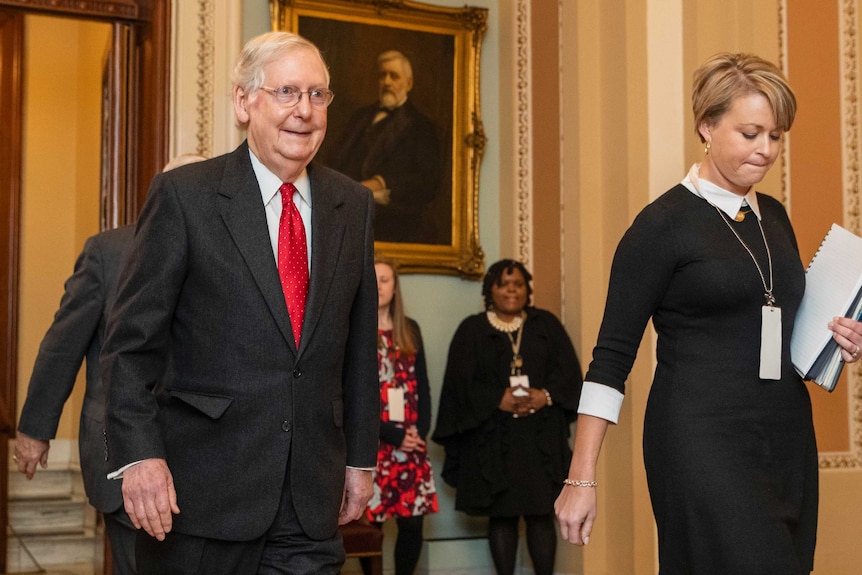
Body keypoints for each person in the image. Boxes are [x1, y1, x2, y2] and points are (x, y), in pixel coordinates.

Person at [555, 53, 862, 574]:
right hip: (700, 438)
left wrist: (840, 337)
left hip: (785, 435)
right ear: (706, 125)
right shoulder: (661, 225)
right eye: (750, 133)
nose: (766, 151)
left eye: (776, 136)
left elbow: (779, 324)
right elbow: (610, 358)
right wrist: (580, 478)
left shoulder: (777, 218)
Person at [100, 31, 379, 575]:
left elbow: (360, 350)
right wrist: (139, 456)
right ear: (243, 101)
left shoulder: (353, 204)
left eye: (318, 95)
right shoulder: (185, 195)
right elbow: (130, 345)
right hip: (201, 499)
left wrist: (361, 460)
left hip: (309, 504)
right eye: (287, 92)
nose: (304, 111)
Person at [12, 152, 207, 575]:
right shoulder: (109, 252)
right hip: (121, 451)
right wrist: (34, 429)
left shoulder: (228, 257)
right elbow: (63, 344)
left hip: (203, 459)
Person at [433, 259, 583, 575]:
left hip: (539, 440)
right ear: (491, 290)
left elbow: (569, 374)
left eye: (518, 284)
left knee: (541, 514)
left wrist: (546, 396)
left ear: (527, 289)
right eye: (503, 284)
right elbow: (459, 384)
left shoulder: (546, 325)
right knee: (502, 515)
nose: (511, 290)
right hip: (492, 440)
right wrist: (495, 399)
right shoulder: (472, 329)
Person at [361, 256, 438, 575]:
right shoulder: (357, 331)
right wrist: (390, 435)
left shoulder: (411, 330)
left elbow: (424, 387)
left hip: (410, 444)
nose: (379, 286)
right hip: (371, 443)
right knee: (370, 524)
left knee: (411, 526)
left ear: (395, 287)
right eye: (374, 279)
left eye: (385, 280)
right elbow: (352, 395)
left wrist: (419, 433)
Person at [325, 50, 441, 244]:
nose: (387, 82)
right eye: (382, 75)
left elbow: (427, 181)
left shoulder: (422, 127)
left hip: (394, 220)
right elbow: (334, 160)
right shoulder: (360, 117)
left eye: (394, 76)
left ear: (409, 84)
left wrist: (380, 182)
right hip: (344, 211)